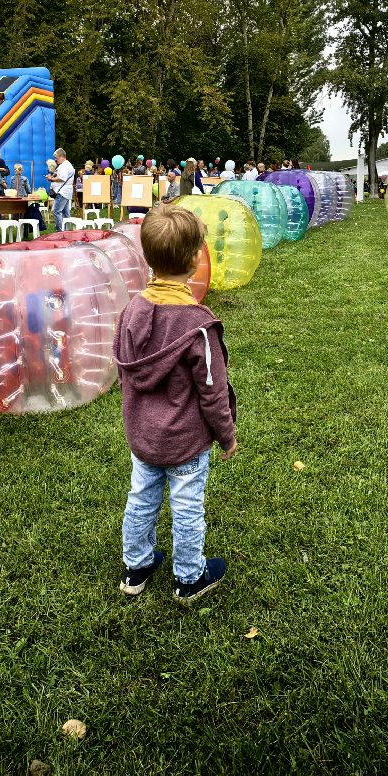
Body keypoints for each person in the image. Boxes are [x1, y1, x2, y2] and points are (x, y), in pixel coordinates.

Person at [113, 203, 237, 603]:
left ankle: (136, 568)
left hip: (143, 438)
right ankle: (189, 578)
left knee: (141, 499)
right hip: (185, 441)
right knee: (186, 508)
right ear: (197, 256)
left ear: (148, 256)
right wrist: (226, 435)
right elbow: (213, 389)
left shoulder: (131, 311)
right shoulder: (197, 325)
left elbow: (126, 372)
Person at [52, 148, 76, 231]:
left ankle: (59, 231)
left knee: (56, 211)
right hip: (66, 192)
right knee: (66, 213)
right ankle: (67, 231)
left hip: (63, 192)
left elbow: (62, 178)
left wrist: (51, 179)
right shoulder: (66, 164)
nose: (56, 160)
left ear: (61, 156)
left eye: (56, 158)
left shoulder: (65, 165)